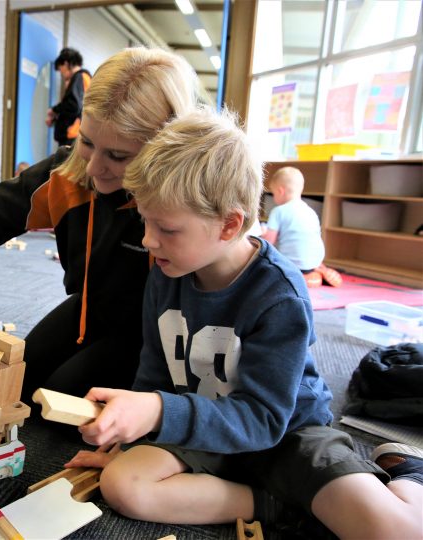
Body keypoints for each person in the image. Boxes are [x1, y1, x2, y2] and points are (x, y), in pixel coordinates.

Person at [64, 108, 423, 539]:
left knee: (399, 532)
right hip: (202, 428)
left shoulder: (280, 295)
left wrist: (158, 411)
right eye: (145, 221)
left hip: (285, 436)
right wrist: (132, 437)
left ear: (229, 224)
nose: (147, 240)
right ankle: (277, 504)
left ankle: (406, 471)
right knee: (123, 485)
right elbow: (155, 371)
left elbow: (264, 418)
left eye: (166, 228)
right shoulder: (166, 268)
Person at [0, 47, 198, 404]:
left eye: (118, 156)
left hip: (156, 329)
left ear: (162, 146)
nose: (94, 167)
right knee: (19, 382)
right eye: (88, 142)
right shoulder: (70, 171)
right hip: (92, 307)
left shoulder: (181, 203)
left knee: (61, 400)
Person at [260, 166, 341, 288]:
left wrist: (262, 234)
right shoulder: (310, 212)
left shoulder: (278, 211)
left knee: (261, 260)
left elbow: (268, 243)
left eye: (274, 193)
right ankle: (315, 272)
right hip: (312, 263)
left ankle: (296, 276)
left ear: (280, 191)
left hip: (289, 265)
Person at [46, 48, 92, 147]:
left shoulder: (79, 77)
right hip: (75, 134)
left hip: (73, 136)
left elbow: (74, 106)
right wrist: (56, 118)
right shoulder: (83, 78)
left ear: (66, 64)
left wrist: (54, 110)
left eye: (61, 69)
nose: (61, 74)